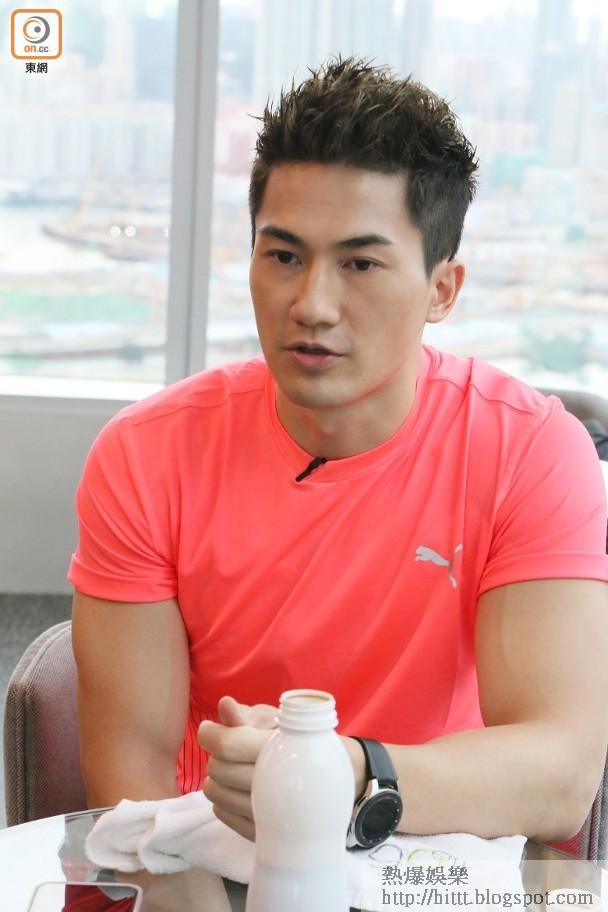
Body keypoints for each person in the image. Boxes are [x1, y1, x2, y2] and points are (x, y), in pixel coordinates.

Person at [69, 57, 608, 848]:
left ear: (442, 289)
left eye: (360, 264)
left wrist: (341, 774)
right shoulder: (145, 455)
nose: (312, 305)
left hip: (430, 862)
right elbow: (131, 787)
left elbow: (559, 778)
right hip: (216, 854)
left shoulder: (531, 452)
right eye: (284, 256)